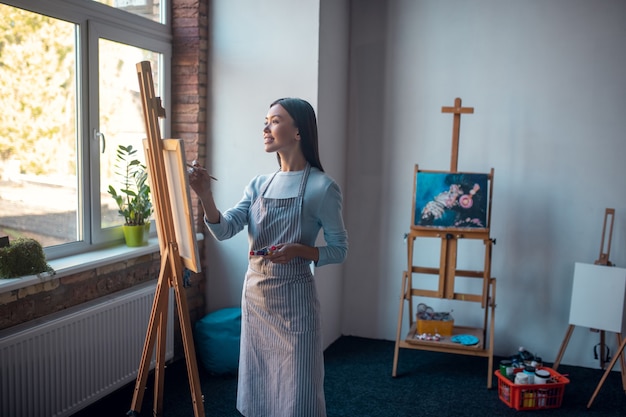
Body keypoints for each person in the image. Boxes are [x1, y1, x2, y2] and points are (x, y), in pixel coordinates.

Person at [188, 97, 348, 417]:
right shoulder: (259, 184)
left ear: (299, 131)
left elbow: (339, 249)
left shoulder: (322, 187)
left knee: (298, 391)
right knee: (259, 386)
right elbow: (224, 229)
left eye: (274, 120)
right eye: (266, 121)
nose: (265, 128)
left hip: (295, 303)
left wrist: (300, 250)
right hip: (257, 298)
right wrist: (205, 195)